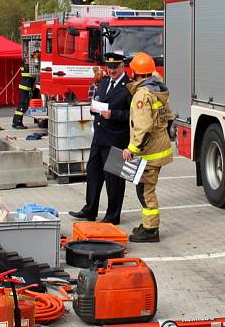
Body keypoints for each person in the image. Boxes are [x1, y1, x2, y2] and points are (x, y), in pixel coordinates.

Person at [69, 53, 132, 224]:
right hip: (99, 137)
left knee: (114, 180)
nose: (111, 70)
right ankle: (90, 210)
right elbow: (99, 100)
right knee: (93, 175)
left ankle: (113, 216)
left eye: (115, 67)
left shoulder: (129, 87)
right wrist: (94, 108)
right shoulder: (104, 82)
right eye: (109, 67)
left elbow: (133, 115)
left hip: (116, 139)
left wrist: (114, 114)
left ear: (122, 67)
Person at [123, 52, 174, 243]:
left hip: (149, 153)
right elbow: (169, 118)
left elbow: (142, 127)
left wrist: (132, 149)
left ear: (134, 71)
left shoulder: (142, 95)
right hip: (158, 149)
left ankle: (151, 230)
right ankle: (147, 224)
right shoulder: (158, 91)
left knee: (145, 191)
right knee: (146, 189)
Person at [12, 65, 36, 129]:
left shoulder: (24, 67)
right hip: (25, 88)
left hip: (24, 88)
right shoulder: (29, 68)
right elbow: (33, 76)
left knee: (21, 106)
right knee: (23, 106)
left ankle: (16, 122)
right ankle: (17, 123)